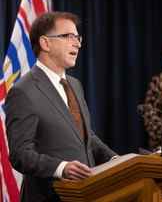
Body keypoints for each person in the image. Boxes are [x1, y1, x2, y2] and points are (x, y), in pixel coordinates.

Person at [5, 11, 117, 202]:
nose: (78, 43)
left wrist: (114, 159)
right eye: (69, 36)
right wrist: (61, 167)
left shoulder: (75, 85)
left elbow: (86, 137)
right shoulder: (23, 91)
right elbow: (20, 154)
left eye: (78, 37)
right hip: (49, 196)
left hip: (86, 193)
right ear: (45, 43)